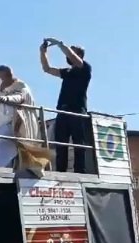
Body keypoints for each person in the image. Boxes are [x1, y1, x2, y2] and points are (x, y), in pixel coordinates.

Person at [39, 38, 92, 173]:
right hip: (62, 111)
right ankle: (61, 171)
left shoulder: (85, 68)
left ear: (79, 54)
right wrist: (43, 52)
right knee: (60, 144)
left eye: (72, 52)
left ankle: (80, 171)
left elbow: (72, 56)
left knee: (78, 144)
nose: (68, 56)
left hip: (77, 111)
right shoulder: (67, 72)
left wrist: (59, 44)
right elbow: (47, 69)